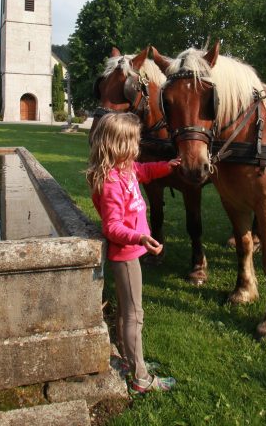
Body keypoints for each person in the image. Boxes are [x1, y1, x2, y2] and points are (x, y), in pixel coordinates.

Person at [86, 112, 180, 394]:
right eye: (135, 142)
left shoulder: (125, 170)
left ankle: (130, 361)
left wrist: (170, 166)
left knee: (128, 313)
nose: (139, 147)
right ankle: (141, 378)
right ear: (120, 145)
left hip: (130, 252)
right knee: (134, 315)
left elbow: (146, 171)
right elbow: (112, 226)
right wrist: (140, 236)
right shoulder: (112, 182)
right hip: (125, 255)